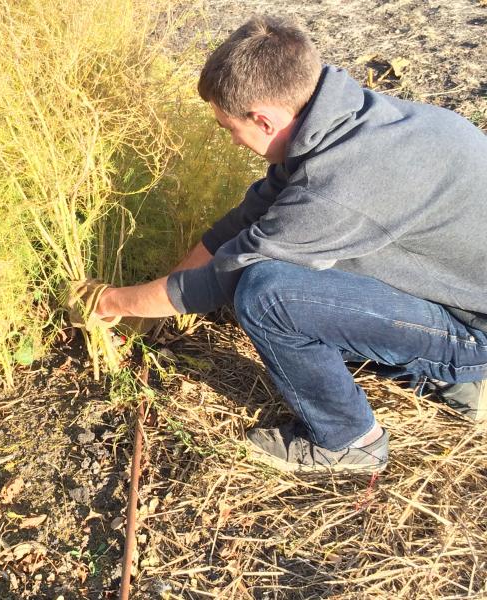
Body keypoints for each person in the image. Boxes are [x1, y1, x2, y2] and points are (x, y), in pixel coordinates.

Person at [91, 14, 487, 474]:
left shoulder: (338, 183)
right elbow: (241, 225)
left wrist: (116, 302)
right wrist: (164, 283)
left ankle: (349, 441)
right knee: (297, 271)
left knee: (269, 294)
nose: (232, 140)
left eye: (228, 127)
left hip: (474, 326)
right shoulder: (346, 121)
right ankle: (455, 380)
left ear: (262, 119)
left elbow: (228, 277)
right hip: (461, 290)